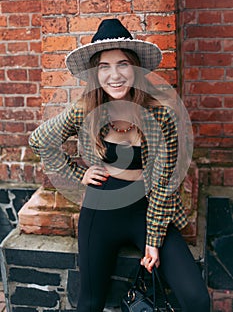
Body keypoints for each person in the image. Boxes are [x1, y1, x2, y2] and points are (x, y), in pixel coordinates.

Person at [29, 19, 210, 311]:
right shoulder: (84, 111)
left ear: (135, 69)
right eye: (104, 66)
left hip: (149, 208)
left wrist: (153, 241)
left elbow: (164, 184)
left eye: (123, 64)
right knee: (89, 303)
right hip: (100, 211)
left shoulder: (161, 116)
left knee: (197, 299)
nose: (115, 75)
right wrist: (77, 173)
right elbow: (39, 140)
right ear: (95, 73)